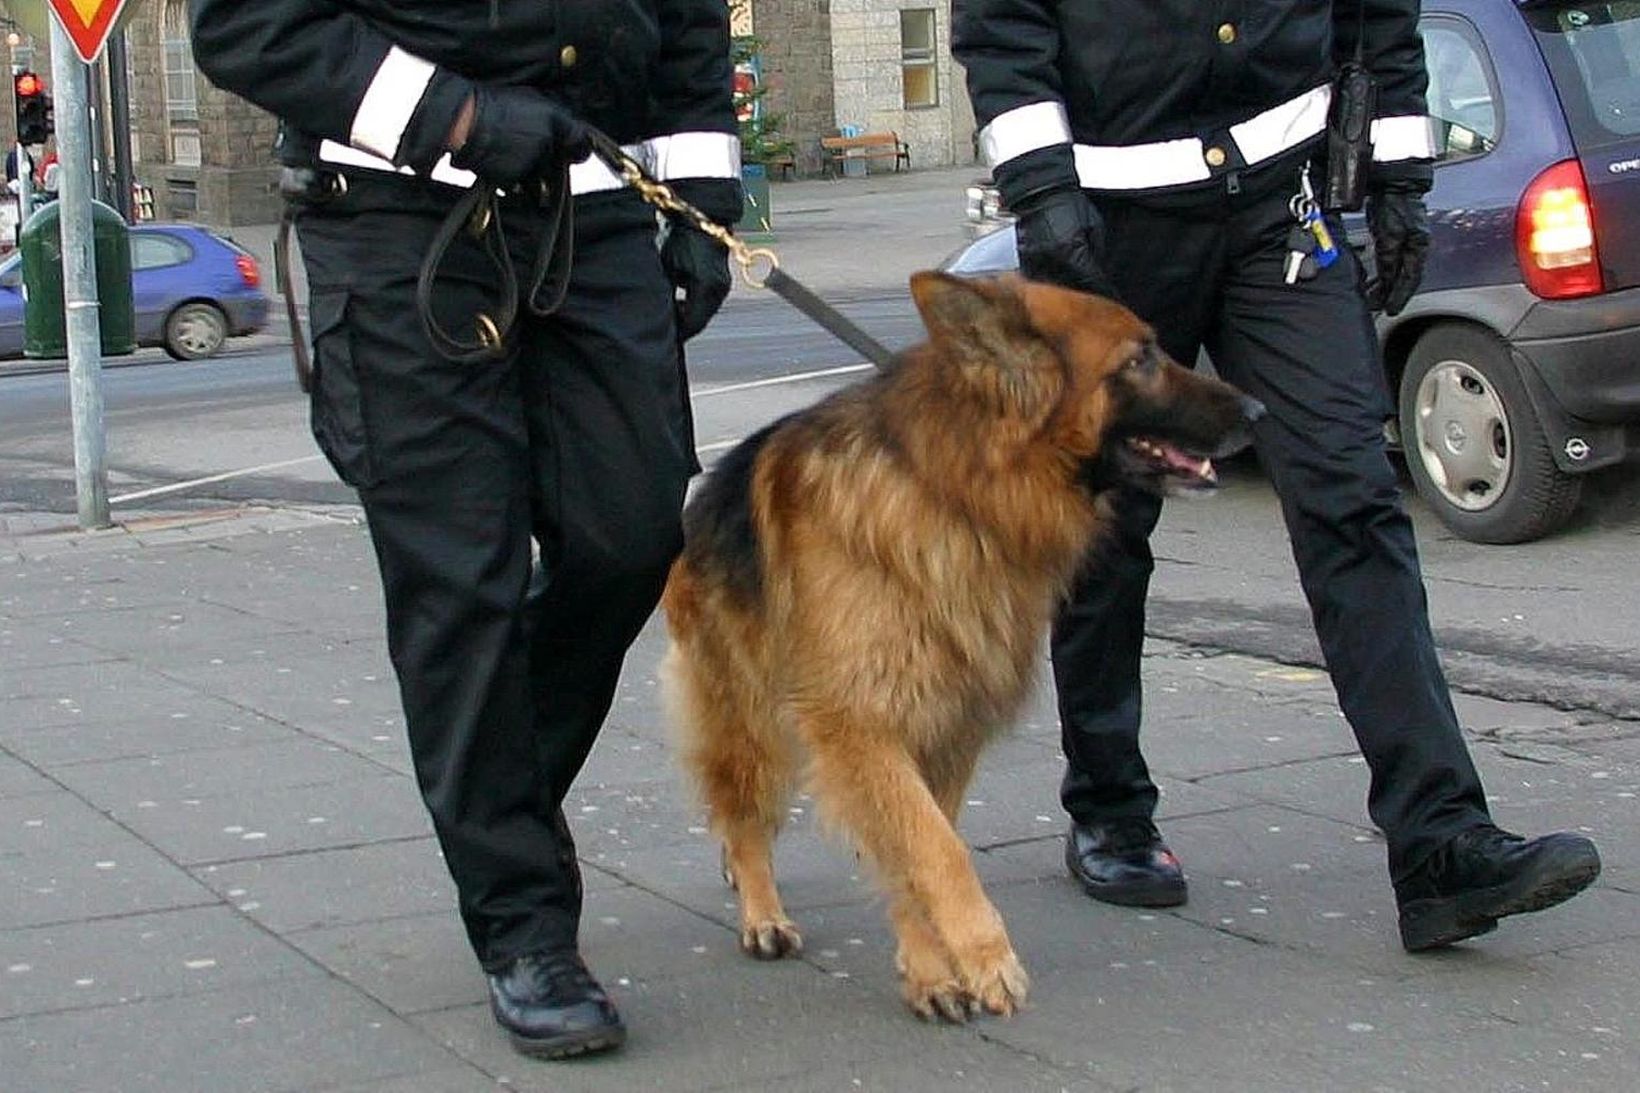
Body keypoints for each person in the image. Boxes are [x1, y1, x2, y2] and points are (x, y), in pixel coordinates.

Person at [952, 0, 1602, 952]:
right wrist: (1044, 194)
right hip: (1111, 224)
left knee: (1356, 500)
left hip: (1279, 216)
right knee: (1108, 523)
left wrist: (1398, 175)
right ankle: (1110, 806)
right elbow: (1004, 29)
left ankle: (1440, 840)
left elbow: (1380, 18)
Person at [189, 0, 742, 1060]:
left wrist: (703, 196)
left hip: (598, 218)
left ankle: (498, 815)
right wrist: (454, 116)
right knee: (462, 586)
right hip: (399, 221)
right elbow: (252, 27)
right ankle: (523, 923)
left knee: (630, 534)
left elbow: (687, 23)